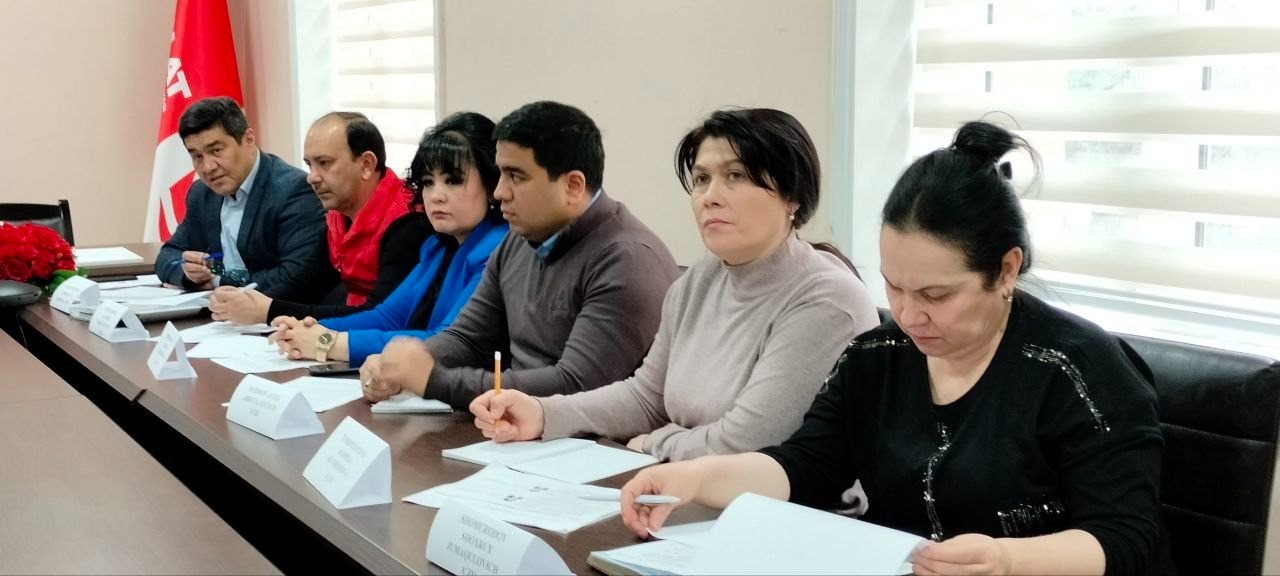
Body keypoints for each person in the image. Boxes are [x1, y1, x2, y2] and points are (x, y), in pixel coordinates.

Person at [618, 121, 1173, 575]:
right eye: (893, 287)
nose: (907, 316)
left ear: (1006, 269)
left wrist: (1007, 561)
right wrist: (699, 478)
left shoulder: (1077, 370)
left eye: (936, 295)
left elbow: (1126, 537)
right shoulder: (877, 356)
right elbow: (806, 466)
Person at [467, 108, 879, 461]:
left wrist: (653, 443)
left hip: (785, 514)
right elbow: (647, 396)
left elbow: (747, 444)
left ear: (793, 196)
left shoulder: (826, 299)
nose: (710, 196)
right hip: (686, 491)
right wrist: (542, 413)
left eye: (735, 175)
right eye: (701, 179)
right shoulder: (700, 279)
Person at [358, 101, 679, 409]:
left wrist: (433, 380)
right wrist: (402, 365)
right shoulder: (517, 241)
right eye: (501, 174)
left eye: (516, 176)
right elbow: (469, 339)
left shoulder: (626, 259)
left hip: (590, 440)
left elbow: (577, 387)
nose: (499, 192)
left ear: (573, 186)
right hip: (515, 429)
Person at [266, 112, 510, 363]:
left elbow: (446, 341)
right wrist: (310, 329)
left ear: (491, 185)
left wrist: (326, 342)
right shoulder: (437, 246)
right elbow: (387, 317)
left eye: (452, 181)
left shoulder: (497, 251)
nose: (436, 196)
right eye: (428, 182)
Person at [207, 112, 429, 324]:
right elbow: (307, 283)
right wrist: (249, 302)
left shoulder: (407, 221)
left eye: (324, 163)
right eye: (309, 165)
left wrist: (268, 310)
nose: (311, 177)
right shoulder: (337, 215)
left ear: (366, 164)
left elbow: (380, 315)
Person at [155, 96, 331, 300]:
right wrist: (189, 273)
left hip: (280, 313)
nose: (208, 167)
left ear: (248, 139)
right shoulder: (202, 193)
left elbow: (294, 276)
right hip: (217, 310)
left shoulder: (293, 190)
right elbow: (168, 256)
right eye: (197, 156)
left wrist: (218, 280)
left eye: (216, 151)